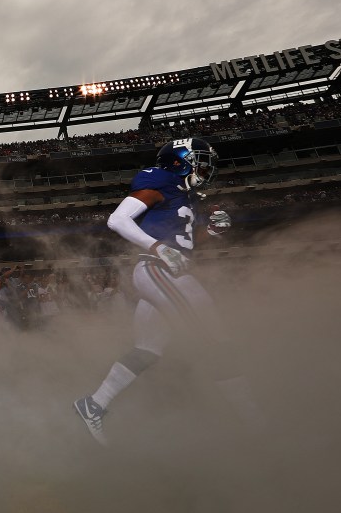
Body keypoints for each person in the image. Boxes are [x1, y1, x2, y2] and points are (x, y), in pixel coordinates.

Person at [74, 138, 253, 446]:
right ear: (179, 160)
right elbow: (117, 220)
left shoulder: (186, 195)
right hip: (160, 268)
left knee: (149, 348)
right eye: (201, 159)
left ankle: (94, 404)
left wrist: (211, 231)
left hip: (169, 267)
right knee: (212, 337)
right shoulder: (162, 180)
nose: (207, 167)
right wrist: (157, 248)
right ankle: (255, 424)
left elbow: (185, 242)